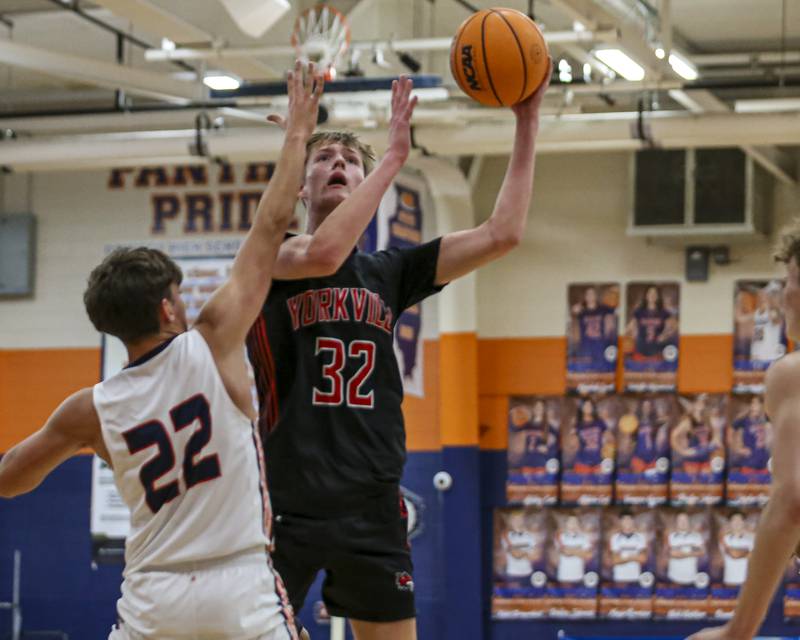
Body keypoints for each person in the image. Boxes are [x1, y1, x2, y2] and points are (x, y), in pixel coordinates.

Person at [0, 61, 324, 640]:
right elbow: (273, 224)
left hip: (153, 596)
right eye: (178, 294)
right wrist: (299, 131)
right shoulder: (216, 338)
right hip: (239, 582)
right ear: (167, 310)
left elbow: (9, 478)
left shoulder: (89, 409)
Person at [246, 63, 552, 639]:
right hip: (287, 504)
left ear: (367, 189)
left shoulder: (391, 272)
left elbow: (502, 233)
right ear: (301, 186)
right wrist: (389, 157)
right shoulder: (273, 258)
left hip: (372, 502)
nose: (338, 164)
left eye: (349, 162)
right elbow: (325, 256)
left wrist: (527, 120)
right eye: (323, 159)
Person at [689, 222, 800, 640]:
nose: (782, 295)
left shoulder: (793, 373)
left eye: (788, 281)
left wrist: (737, 630)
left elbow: (793, 500)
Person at [509, 399, 559, 475]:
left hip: (541, 463)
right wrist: (511, 414)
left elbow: (556, 446)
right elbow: (513, 429)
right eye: (536, 407)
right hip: (527, 462)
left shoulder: (549, 427)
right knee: (526, 486)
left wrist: (548, 450)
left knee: (539, 486)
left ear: (543, 410)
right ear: (533, 409)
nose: (538, 410)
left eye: (540, 408)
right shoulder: (527, 424)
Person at [571, 286, 617, 368]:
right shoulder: (581, 311)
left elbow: (616, 308)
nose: (590, 296)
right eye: (588, 294)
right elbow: (573, 312)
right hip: (586, 346)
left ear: (596, 296)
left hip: (600, 345)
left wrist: (614, 290)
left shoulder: (603, 309)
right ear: (585, 297)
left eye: (592, 294)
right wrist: (573, 310)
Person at [626, 284, 676, 358]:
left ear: (658, 296)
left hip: (658, 351)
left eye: (655, 293)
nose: (652, 295)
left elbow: (674, 327)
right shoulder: (639, 312)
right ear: (646, 295)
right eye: (650, 293)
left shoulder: (663, 313)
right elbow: (628, 328)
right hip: (640, 350)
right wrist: (633, 334)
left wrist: (665, 335)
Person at [730, 396, 771, 475]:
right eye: (754, 404)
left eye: (759, 404)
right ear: (751, 406)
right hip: (748, 465)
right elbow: (730, 432)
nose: (756, 407)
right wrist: (736, 449)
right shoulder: (744, 420)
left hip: (763, 465)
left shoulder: (765, 419)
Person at [501, 510, 539, 582]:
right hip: (513, 574)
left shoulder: (530, 536)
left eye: (520, 519)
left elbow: (534, 557)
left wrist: (520, 550)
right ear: (510, 522)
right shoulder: (506, 536)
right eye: (515, 520)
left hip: (528, 573)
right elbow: (516, 555)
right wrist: (526, 552)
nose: (518, 522)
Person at [667, 512, 704, 585]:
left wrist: (681, 552)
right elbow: (673, 554)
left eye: (685, 520)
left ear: (689, 522)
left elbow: (701, 552)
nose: (683, 522)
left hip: (692, 578)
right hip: (674, 578)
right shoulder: (670, 536)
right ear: (676, 523)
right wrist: (692, 551)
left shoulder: (697, 536)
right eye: (680, 520)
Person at [609, 512, 647, 583]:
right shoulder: (615, 538)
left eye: (629, 520)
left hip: (636, 578)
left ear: (633, 521)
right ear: (620, 522)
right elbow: (615, 560)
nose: (627, 522)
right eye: (624, 520)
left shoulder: (640, 537)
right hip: (619, 578)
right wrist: (634, 557)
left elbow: (643, 559)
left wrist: (623, 557)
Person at [719, 512, 754, 587]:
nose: (737, 522)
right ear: (730, 523)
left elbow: (752, 558)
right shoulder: (724, 539)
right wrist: (745, 552)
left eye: (740, 520)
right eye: (734, 520)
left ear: (744, 522)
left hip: (746, 582)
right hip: (729, 581)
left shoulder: (751, 540)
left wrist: (738, 552)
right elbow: (734, 555)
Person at [555, 515, 593, 583]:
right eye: (570, 522)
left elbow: (587, 555)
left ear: (578, 525)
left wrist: (570, 549)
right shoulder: (560, 536)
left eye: (575, 522)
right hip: (564, 575)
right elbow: (565, 551)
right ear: (566, 524)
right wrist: (578, 550)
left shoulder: (584, 537)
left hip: (579, 575)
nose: (573, 525)